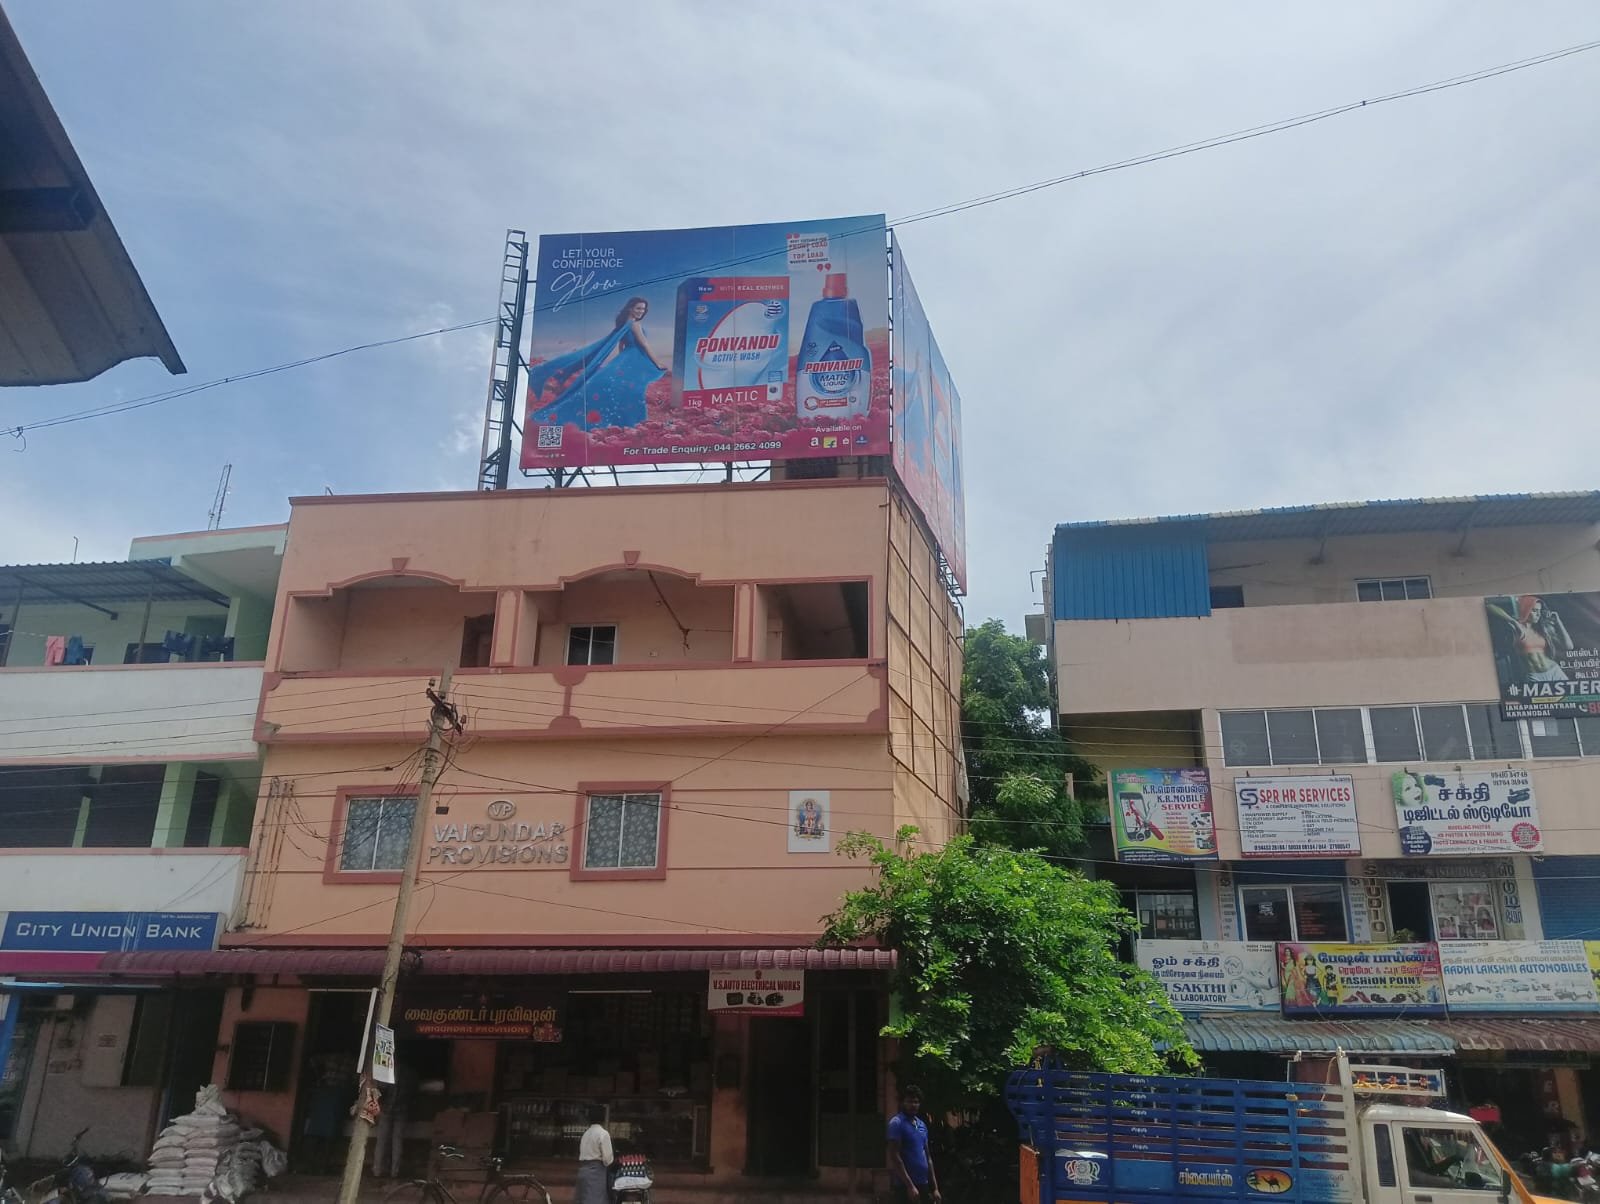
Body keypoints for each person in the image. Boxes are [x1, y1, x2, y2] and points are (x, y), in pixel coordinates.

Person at [527, 296, 669, 431]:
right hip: (634, 357)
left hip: (628, 358)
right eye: (638, 308)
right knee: (632, 390)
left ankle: (623, 421)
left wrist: (622, 360)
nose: (641, 311)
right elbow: (644, 344)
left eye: (643, 309)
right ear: (630, 308)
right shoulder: (634, 324)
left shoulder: (623, 324)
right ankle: (628, 421)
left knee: (625, 389)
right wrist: (657, 363)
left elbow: (622, 344)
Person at [1487, 596, 1574, 683]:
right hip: (1535, 677)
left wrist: (1558, 622)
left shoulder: (1543, 629)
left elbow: (1569, 646)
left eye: (1539, 611)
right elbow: (1489, 605)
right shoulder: (1516, 629)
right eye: (1534, 610)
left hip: (1554, 671)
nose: (1538, 614)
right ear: (1526, 610)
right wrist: (1513, 621)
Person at [887, 1085, 940, 1203]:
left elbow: (928, 1157)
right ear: (902, 1103)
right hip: (904, 1186)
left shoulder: (922, 1125)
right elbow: (895, 1156)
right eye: (909, 1101)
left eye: (916, 1102)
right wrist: (910, 1186)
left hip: (923, 1184)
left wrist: (935, 1188)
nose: (913, 1105)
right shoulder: (897, 1123)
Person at [371, 1060, 415, 1179]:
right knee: (397, 1140)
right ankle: (395, 1171)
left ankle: (377, 1170)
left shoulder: (387, 1070)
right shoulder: (410, 1073)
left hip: (386, 1109)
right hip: (402, 1110)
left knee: (382, 1140)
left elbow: (381, 1090)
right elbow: (413, 1092)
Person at [574, 1104, 613, 1204]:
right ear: (603, 1118)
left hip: (583, 1172)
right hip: (596, 1174)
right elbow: (607, 1160)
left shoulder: (585, 1134)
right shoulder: (603, 1134)